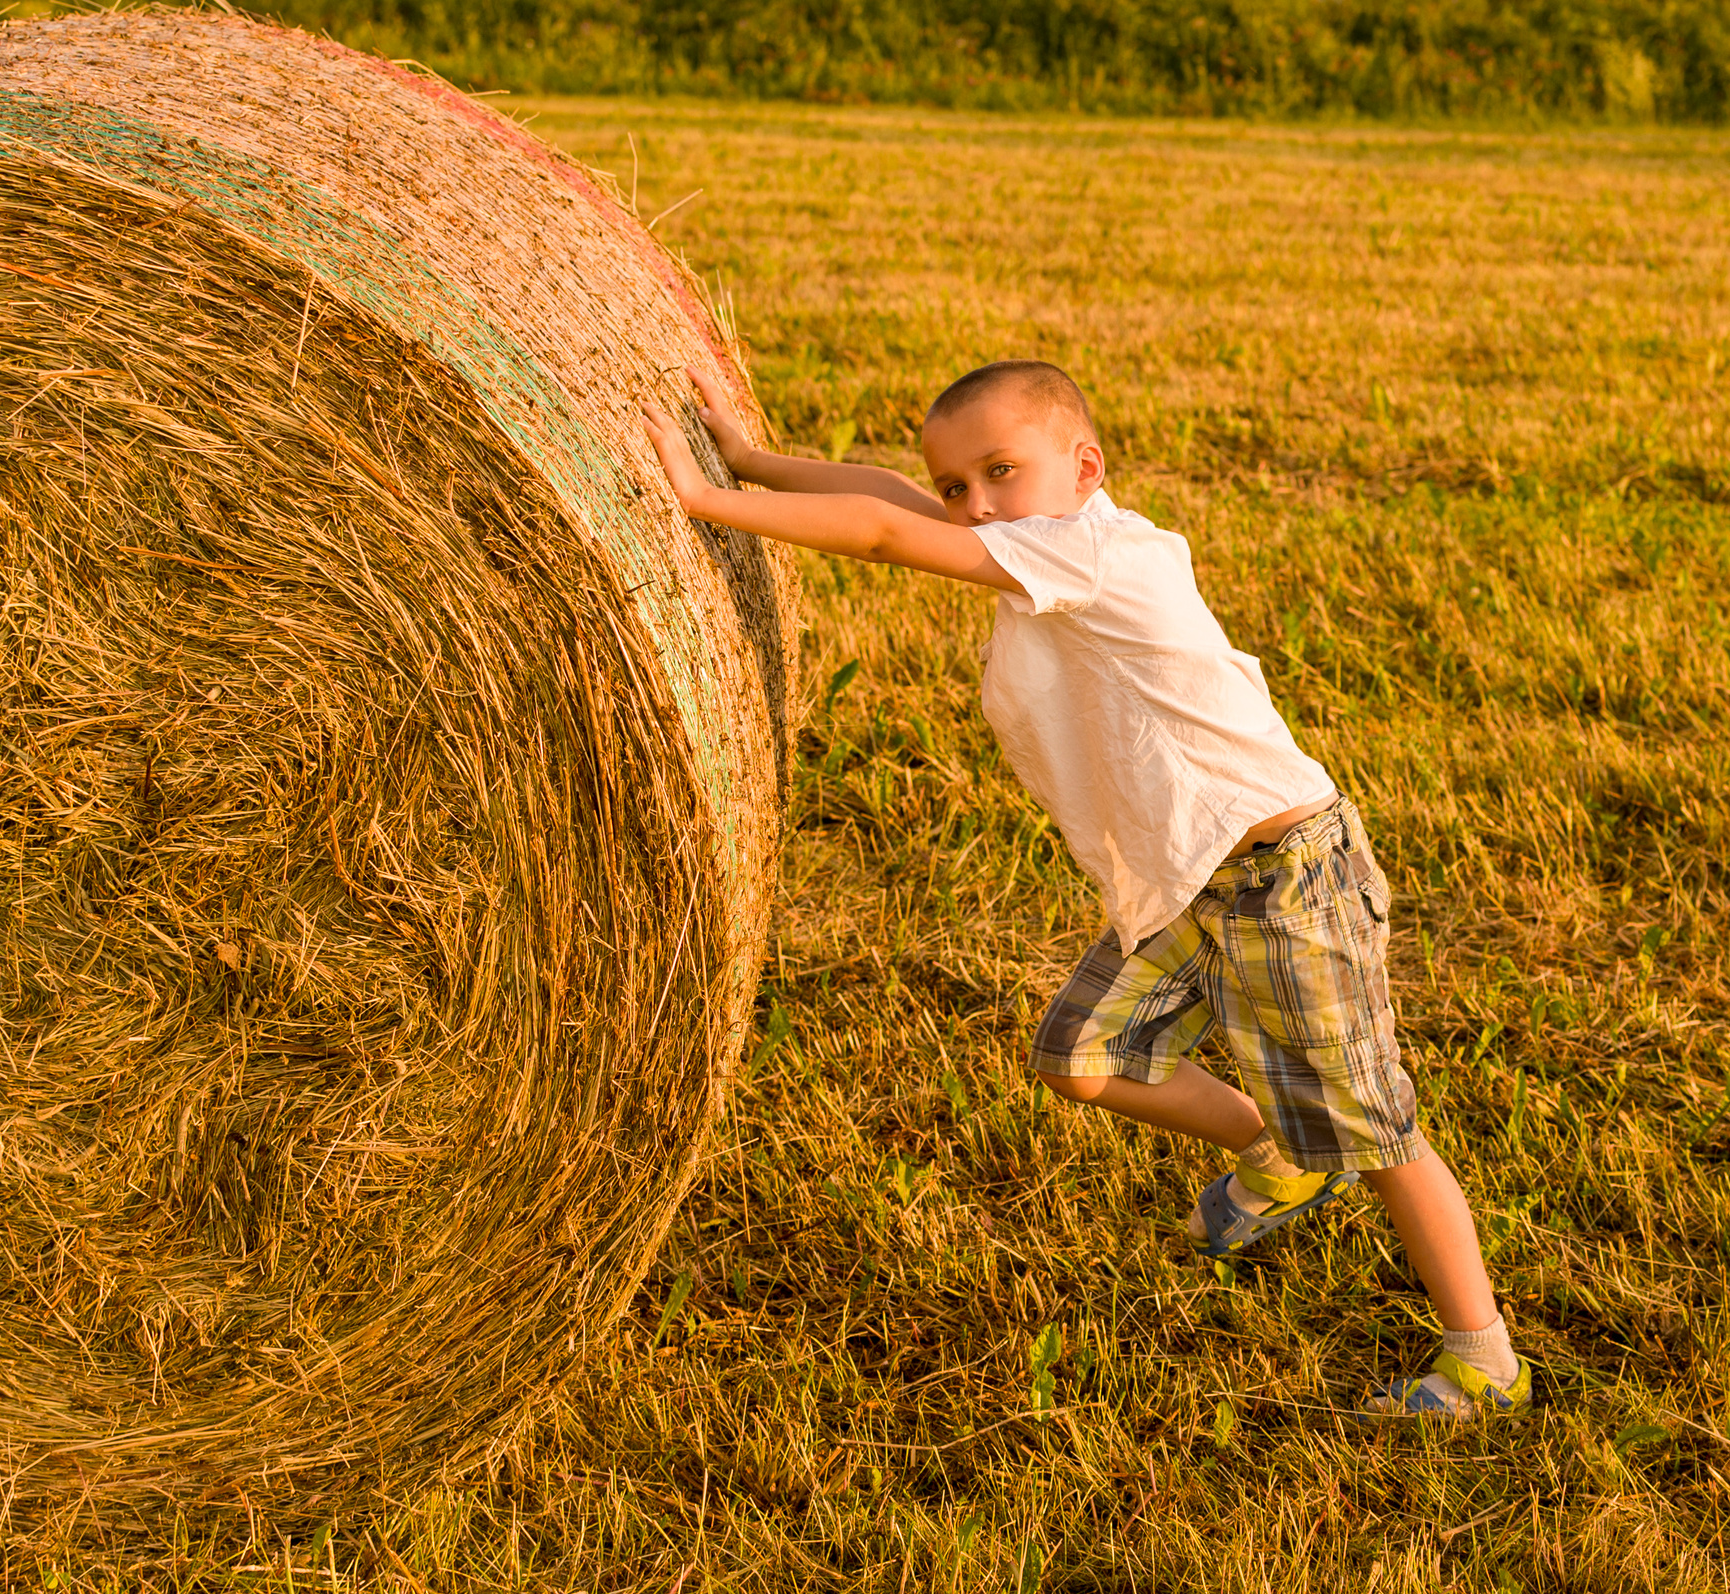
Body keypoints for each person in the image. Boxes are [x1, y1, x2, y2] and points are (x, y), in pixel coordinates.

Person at [638, 360, 1530, 1417]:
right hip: (1185, 880)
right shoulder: (1037, 543)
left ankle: (1483, 1360)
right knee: (1079, 1057)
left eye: (1000, 472)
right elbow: (891, 498)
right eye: (958, 485)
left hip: (1283, 879)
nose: (974, 504)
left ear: (1084, 468)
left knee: (1375, 1131)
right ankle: (1273, 1152)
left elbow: (882, 532)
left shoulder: (1096, 557)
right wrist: (749, 458)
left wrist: (705, 500)